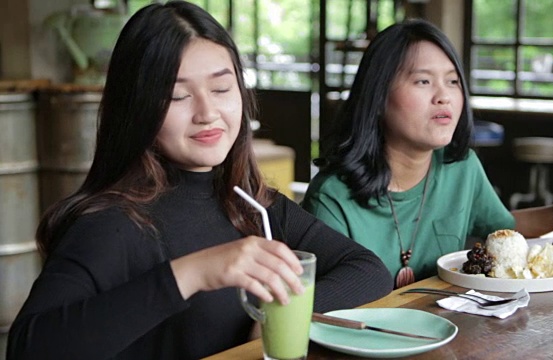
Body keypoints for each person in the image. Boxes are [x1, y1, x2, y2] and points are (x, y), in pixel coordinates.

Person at [7, 2, 393, 359]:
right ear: (137, 108)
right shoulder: (115, 223)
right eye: (178, 96)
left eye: (222, 89)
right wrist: (193, 273)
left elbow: (367, 269)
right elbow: (29, 347)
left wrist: (269, 318)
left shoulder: (251, 204)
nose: (208, 112)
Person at [302, 18, 553, 289]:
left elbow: (503, 230)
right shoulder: (332, 198)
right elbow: (316, 309)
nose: (444, 97)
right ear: (376, 98)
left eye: (452, 82)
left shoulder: (458, 166)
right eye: (423, 82)